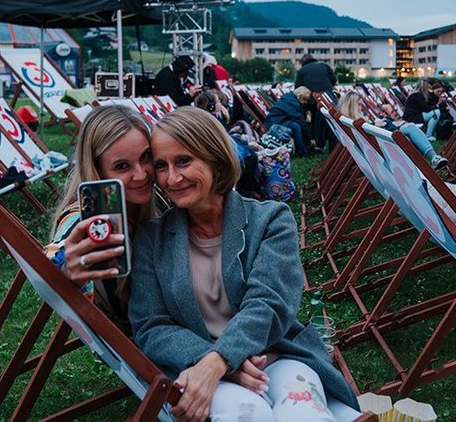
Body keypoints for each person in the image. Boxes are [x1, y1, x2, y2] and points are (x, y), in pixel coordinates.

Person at [129, 107, 359, 421]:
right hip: (200, 367)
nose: (172, 177)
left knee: (305, 413)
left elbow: (268, 304)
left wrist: (221, 358)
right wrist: (212, 363)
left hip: (276, 356)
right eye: (161, 166)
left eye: (183, 161)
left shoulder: (270, 219)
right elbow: (151, 326)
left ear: (214, 158)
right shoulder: (151, 238)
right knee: (247, 415)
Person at [46, 105, 155, 333]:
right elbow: (56, 252)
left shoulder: (149, 200)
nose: (141, 174)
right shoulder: (83, 216)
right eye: (122, 166)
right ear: (97, 170)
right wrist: (65, 269)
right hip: (141, 341)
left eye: (146, 157)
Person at [339, 91, 448, 170]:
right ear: (351, 106)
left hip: (381, 137)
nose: (361, 107)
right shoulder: (353, 121)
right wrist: (374, 125)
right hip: (381, 143)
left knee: (409, 127)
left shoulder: (346, 120)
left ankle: (432, 158)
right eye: (358, 105)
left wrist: (374, 123)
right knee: (409, 131)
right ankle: (430, 160)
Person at [295, 54, 338, 152]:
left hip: (311, 99)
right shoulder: (325, 66)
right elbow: (334, 80)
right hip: (328, 97)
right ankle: (328, 143)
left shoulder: (302, 71)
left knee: (313, 120)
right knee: (330, 120)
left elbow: (298, 89)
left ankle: (316, 143)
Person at [264, 85, 315, 156]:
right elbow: (300, 119)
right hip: (275, 123)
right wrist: (311, 138)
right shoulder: (293, 103)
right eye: (305, 99)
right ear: (299, 97)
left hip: (278, 119)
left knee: (296, 125)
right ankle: (302, 151)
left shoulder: (290, 97)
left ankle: (303, 148)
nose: (306, 102)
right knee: (296, 126)